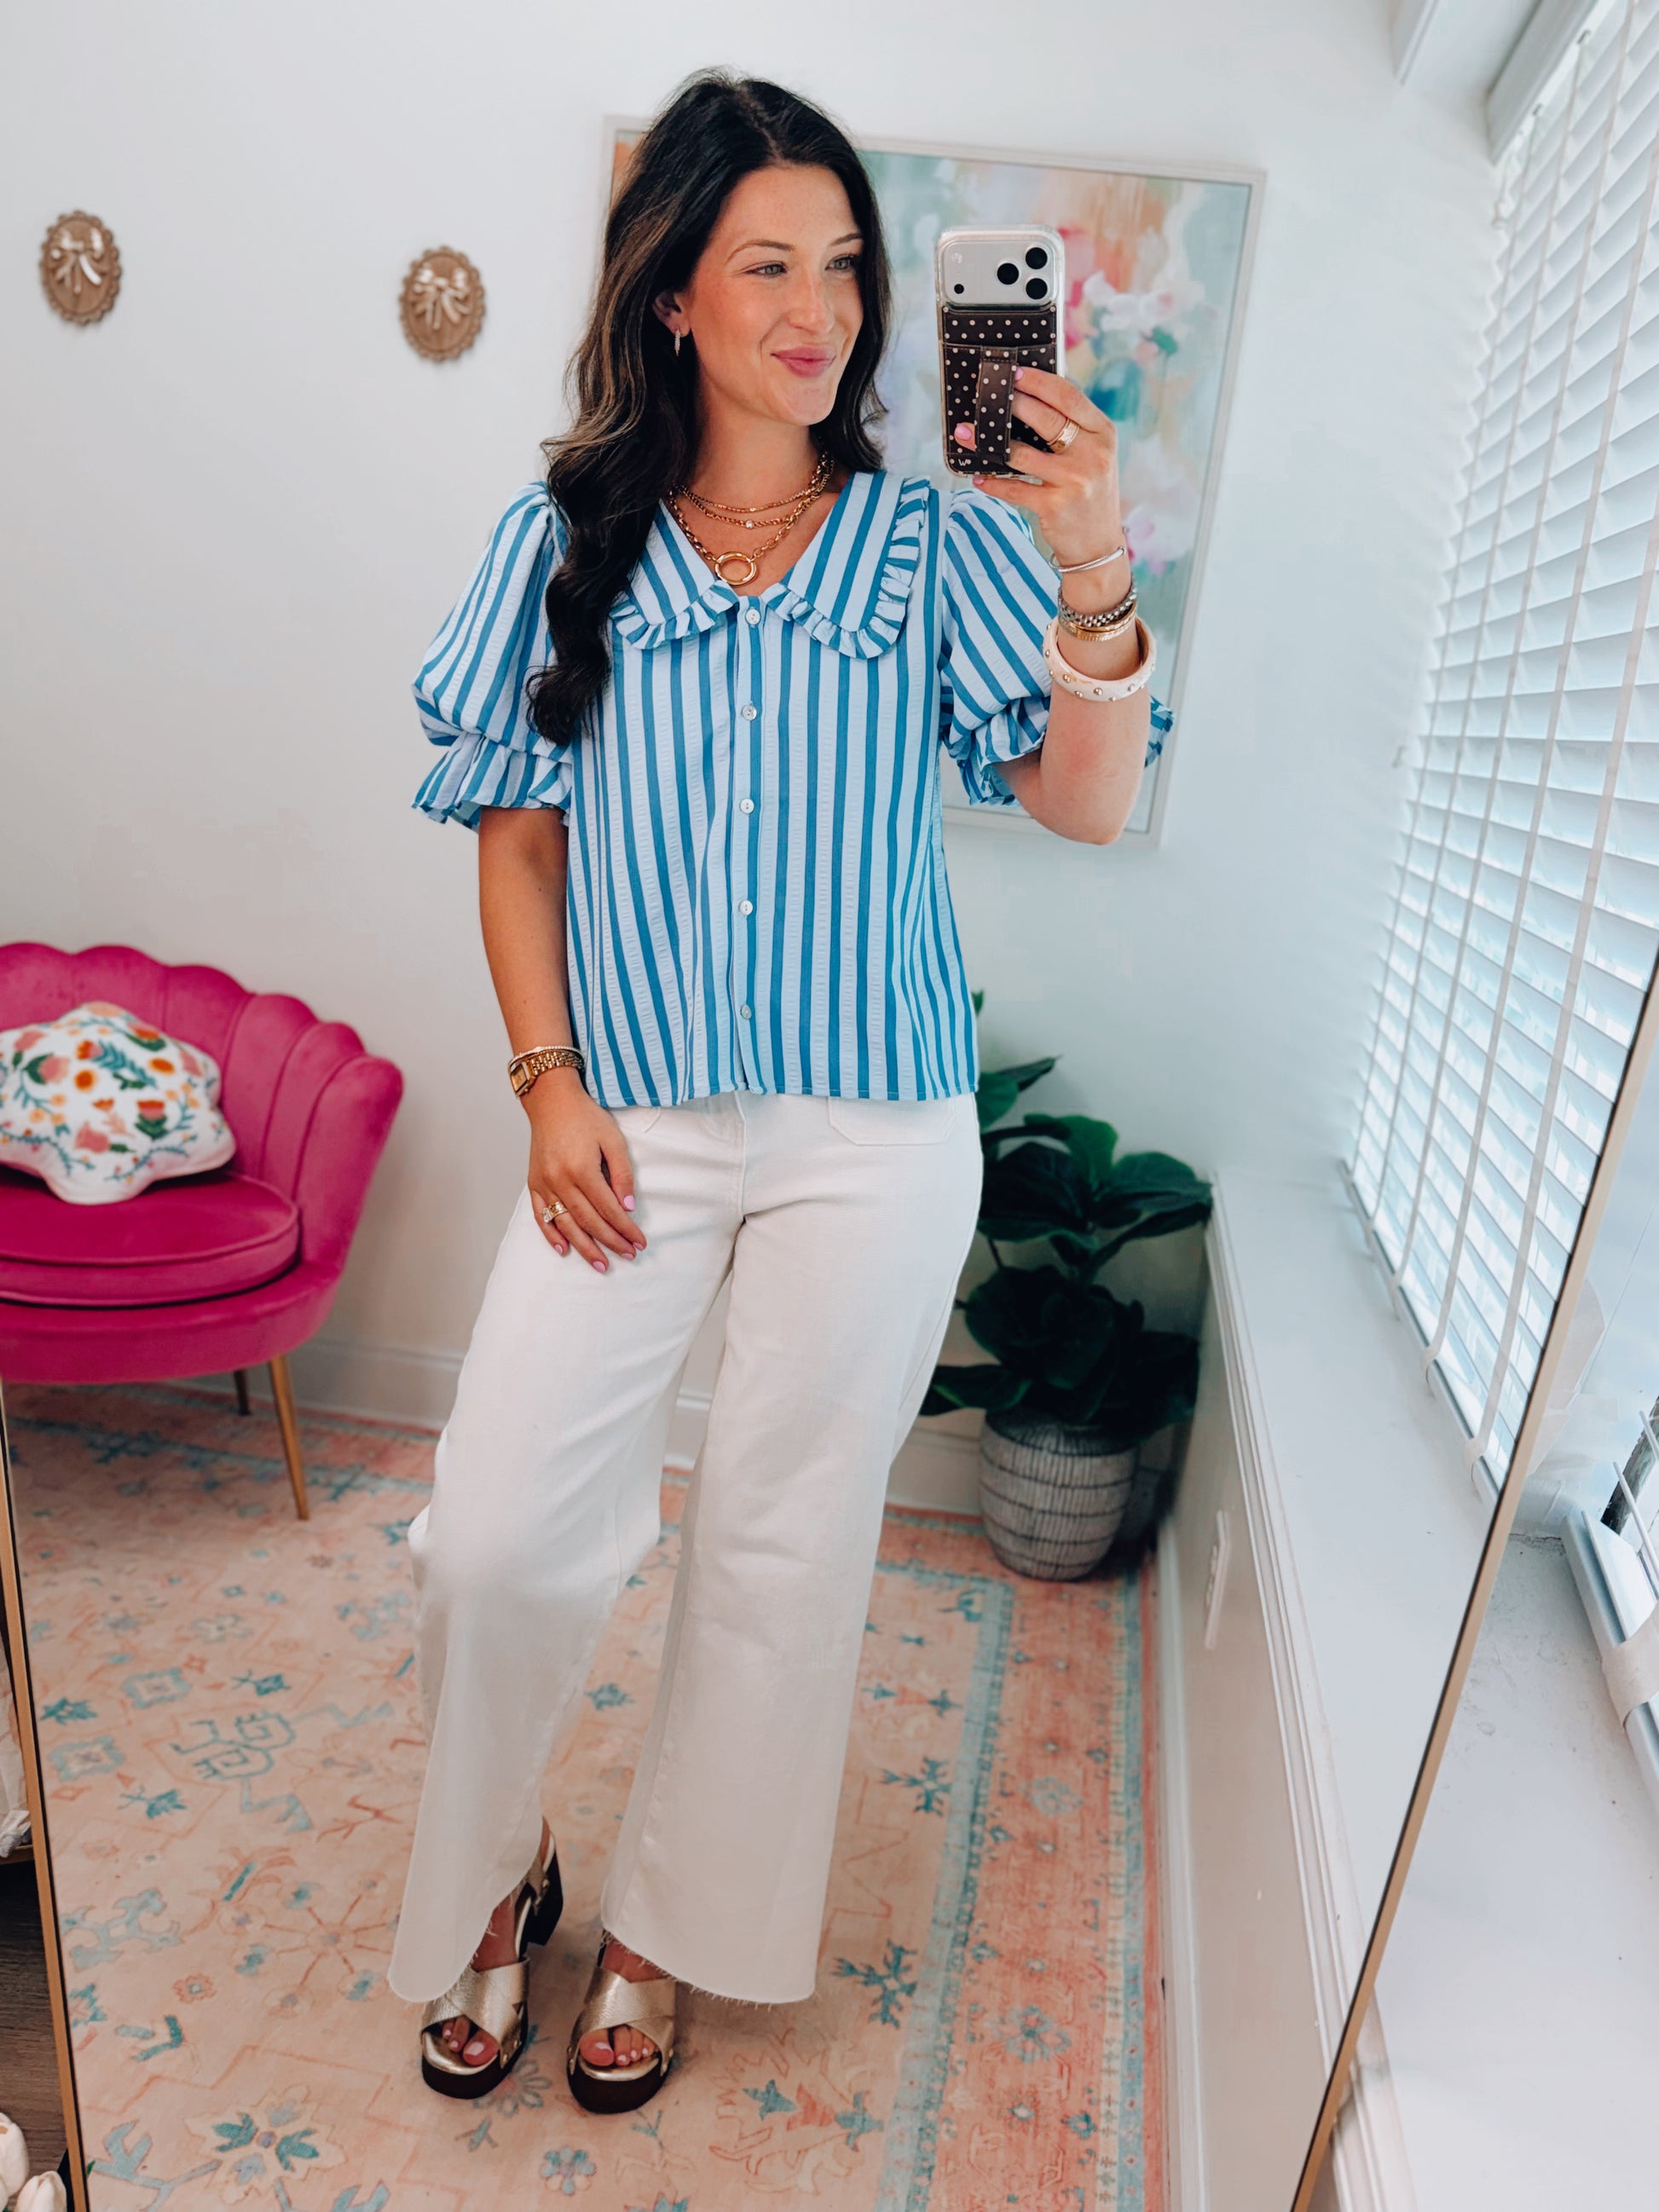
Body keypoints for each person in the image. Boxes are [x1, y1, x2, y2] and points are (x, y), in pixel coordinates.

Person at [388, 66, 1171, 2114]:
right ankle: (498, 1867)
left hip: (873, 1130)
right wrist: (547, 1086)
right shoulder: (563, 541)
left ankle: (665, 1922)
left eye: (841, 265)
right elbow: (516, 838)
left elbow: (1082, 805)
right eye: (765, 265)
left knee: (778, 1542)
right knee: (494, 1535)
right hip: (627, 1118)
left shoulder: (932, 547)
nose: (818, 308)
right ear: (670, 292)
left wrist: (1093, 569)